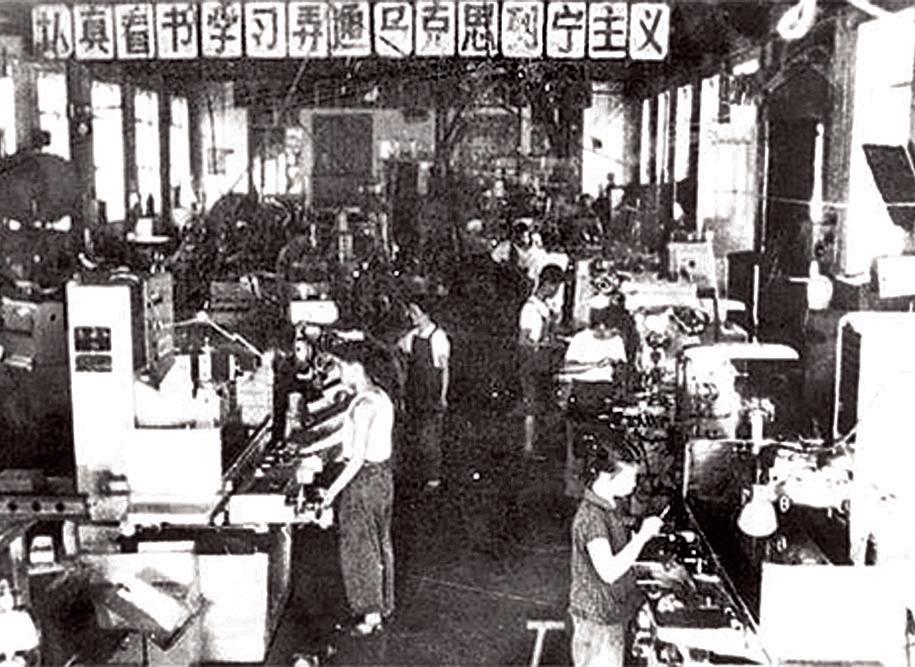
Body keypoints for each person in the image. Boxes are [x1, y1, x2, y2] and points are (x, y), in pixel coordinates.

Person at [320, 342, 396, 636]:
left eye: (340, 366)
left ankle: (369, 618)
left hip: (363, 480)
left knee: (359, 548)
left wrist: (330, 493)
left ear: (356, 368)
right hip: (382, 477)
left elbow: (355, 459)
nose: (338, 371)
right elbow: (344, 434)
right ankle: (382, 607)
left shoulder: (364, 406)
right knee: (379, 542)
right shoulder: (378, 396)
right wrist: (308, 448)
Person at [569, 457, 663, 667]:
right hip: (598, 621)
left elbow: (617, 528)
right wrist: (642, 536)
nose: (634, 484)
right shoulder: (593, 517)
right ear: (605, 476)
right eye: (630, 477)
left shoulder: (609, 505)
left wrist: (637, 525)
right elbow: (609, 571)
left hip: (609, 614)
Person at [560, 303, 629, 497]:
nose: (614, 334)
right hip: (582, 390)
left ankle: (604, 488)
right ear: (600, 326)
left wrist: (619, 370)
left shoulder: (617, 340)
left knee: (608, 440)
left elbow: (622, 368)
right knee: (577, 443)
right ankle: (575, 488)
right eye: (611, 330)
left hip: (605, 392)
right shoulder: (581, 339)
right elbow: (567, 368)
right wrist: (594, 365)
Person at [397, 298, 451, 489]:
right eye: (410, 312)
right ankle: (420, 473)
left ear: (426, 314)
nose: (411, 316)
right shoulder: (412, 335)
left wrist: (443, 396)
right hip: (414, 391)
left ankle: (434, 478)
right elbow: (398, 346)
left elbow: (444, 370)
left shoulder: (438, 337)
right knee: (416, 434)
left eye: (415, 312)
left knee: (430, 436)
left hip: (431, 392)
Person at [517, 263, 565, 458]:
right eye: (556, 286)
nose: (557, 291)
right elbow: (523, 339)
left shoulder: (544, 307)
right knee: (532, 404)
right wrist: (542, 344)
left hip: (544, 362)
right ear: (548, 284)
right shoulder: (529, 309)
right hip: (532, 361)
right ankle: (528, 447)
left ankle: (539, 444)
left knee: (543, 404)